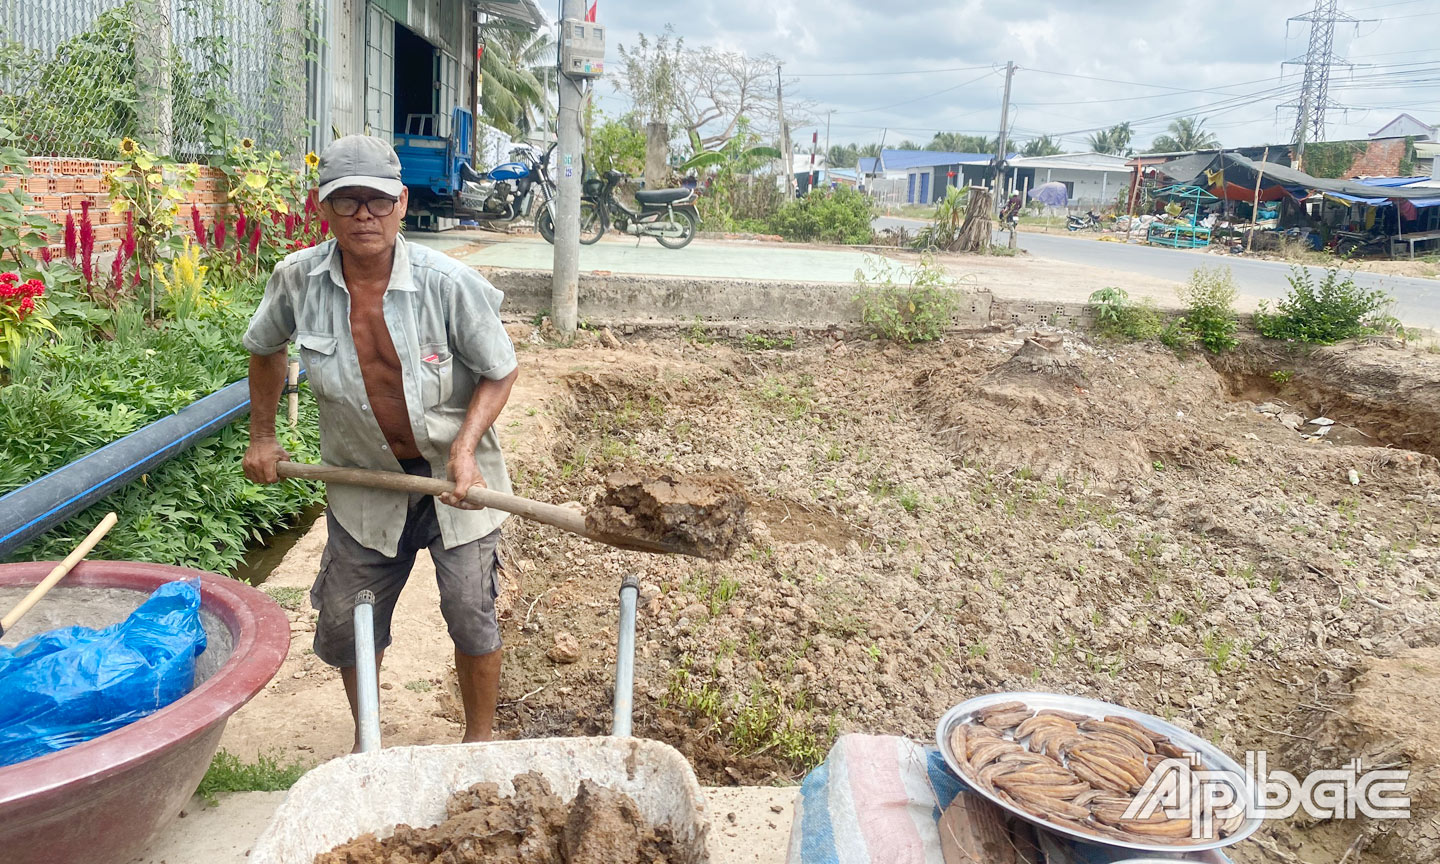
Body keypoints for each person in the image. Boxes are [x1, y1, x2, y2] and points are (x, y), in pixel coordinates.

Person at [242, 135, 519, 749]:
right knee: (349, 624)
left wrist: (467, 449)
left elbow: (500, 370)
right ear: (324, 210)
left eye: (377, 201)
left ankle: (478, 746)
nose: (363, 215)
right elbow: (265, 348)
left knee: (471, 618)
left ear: (402, 203)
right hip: (363, 483)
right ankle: (371, 745)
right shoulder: (297, 281)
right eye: (347, 202)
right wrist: (263, 436)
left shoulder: (449, 284)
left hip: (457, 485)